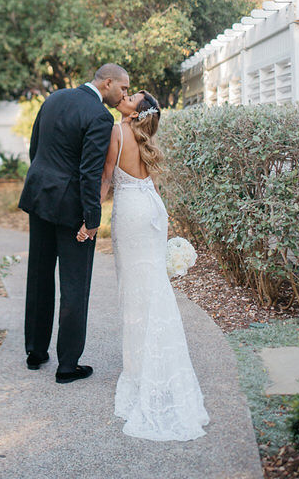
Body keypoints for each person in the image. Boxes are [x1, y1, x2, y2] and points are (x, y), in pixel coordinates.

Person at [78, 90, 209, 439]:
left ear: (136, 111)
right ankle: (155, 365)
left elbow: (106, 178)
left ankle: (139, 374)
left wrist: (90, 219)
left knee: (134, 295)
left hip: (132, 214)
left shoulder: (117, 131)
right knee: (152, 289)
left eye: (132, 97)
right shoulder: (142, 136)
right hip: (152, 208)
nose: (125, 96)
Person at [18, 63, 129, 383]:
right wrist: (92, 219)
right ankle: (67, 365)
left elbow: (34, 149)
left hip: (40, 197)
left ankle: (35, 352)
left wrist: (46, 182)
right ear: (107, 83)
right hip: (72, 211)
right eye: (123, 88)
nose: (124, 95)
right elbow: (89, 173)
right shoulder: (100, 117)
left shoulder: (53, 98)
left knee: (38, 276)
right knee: (75, 284)